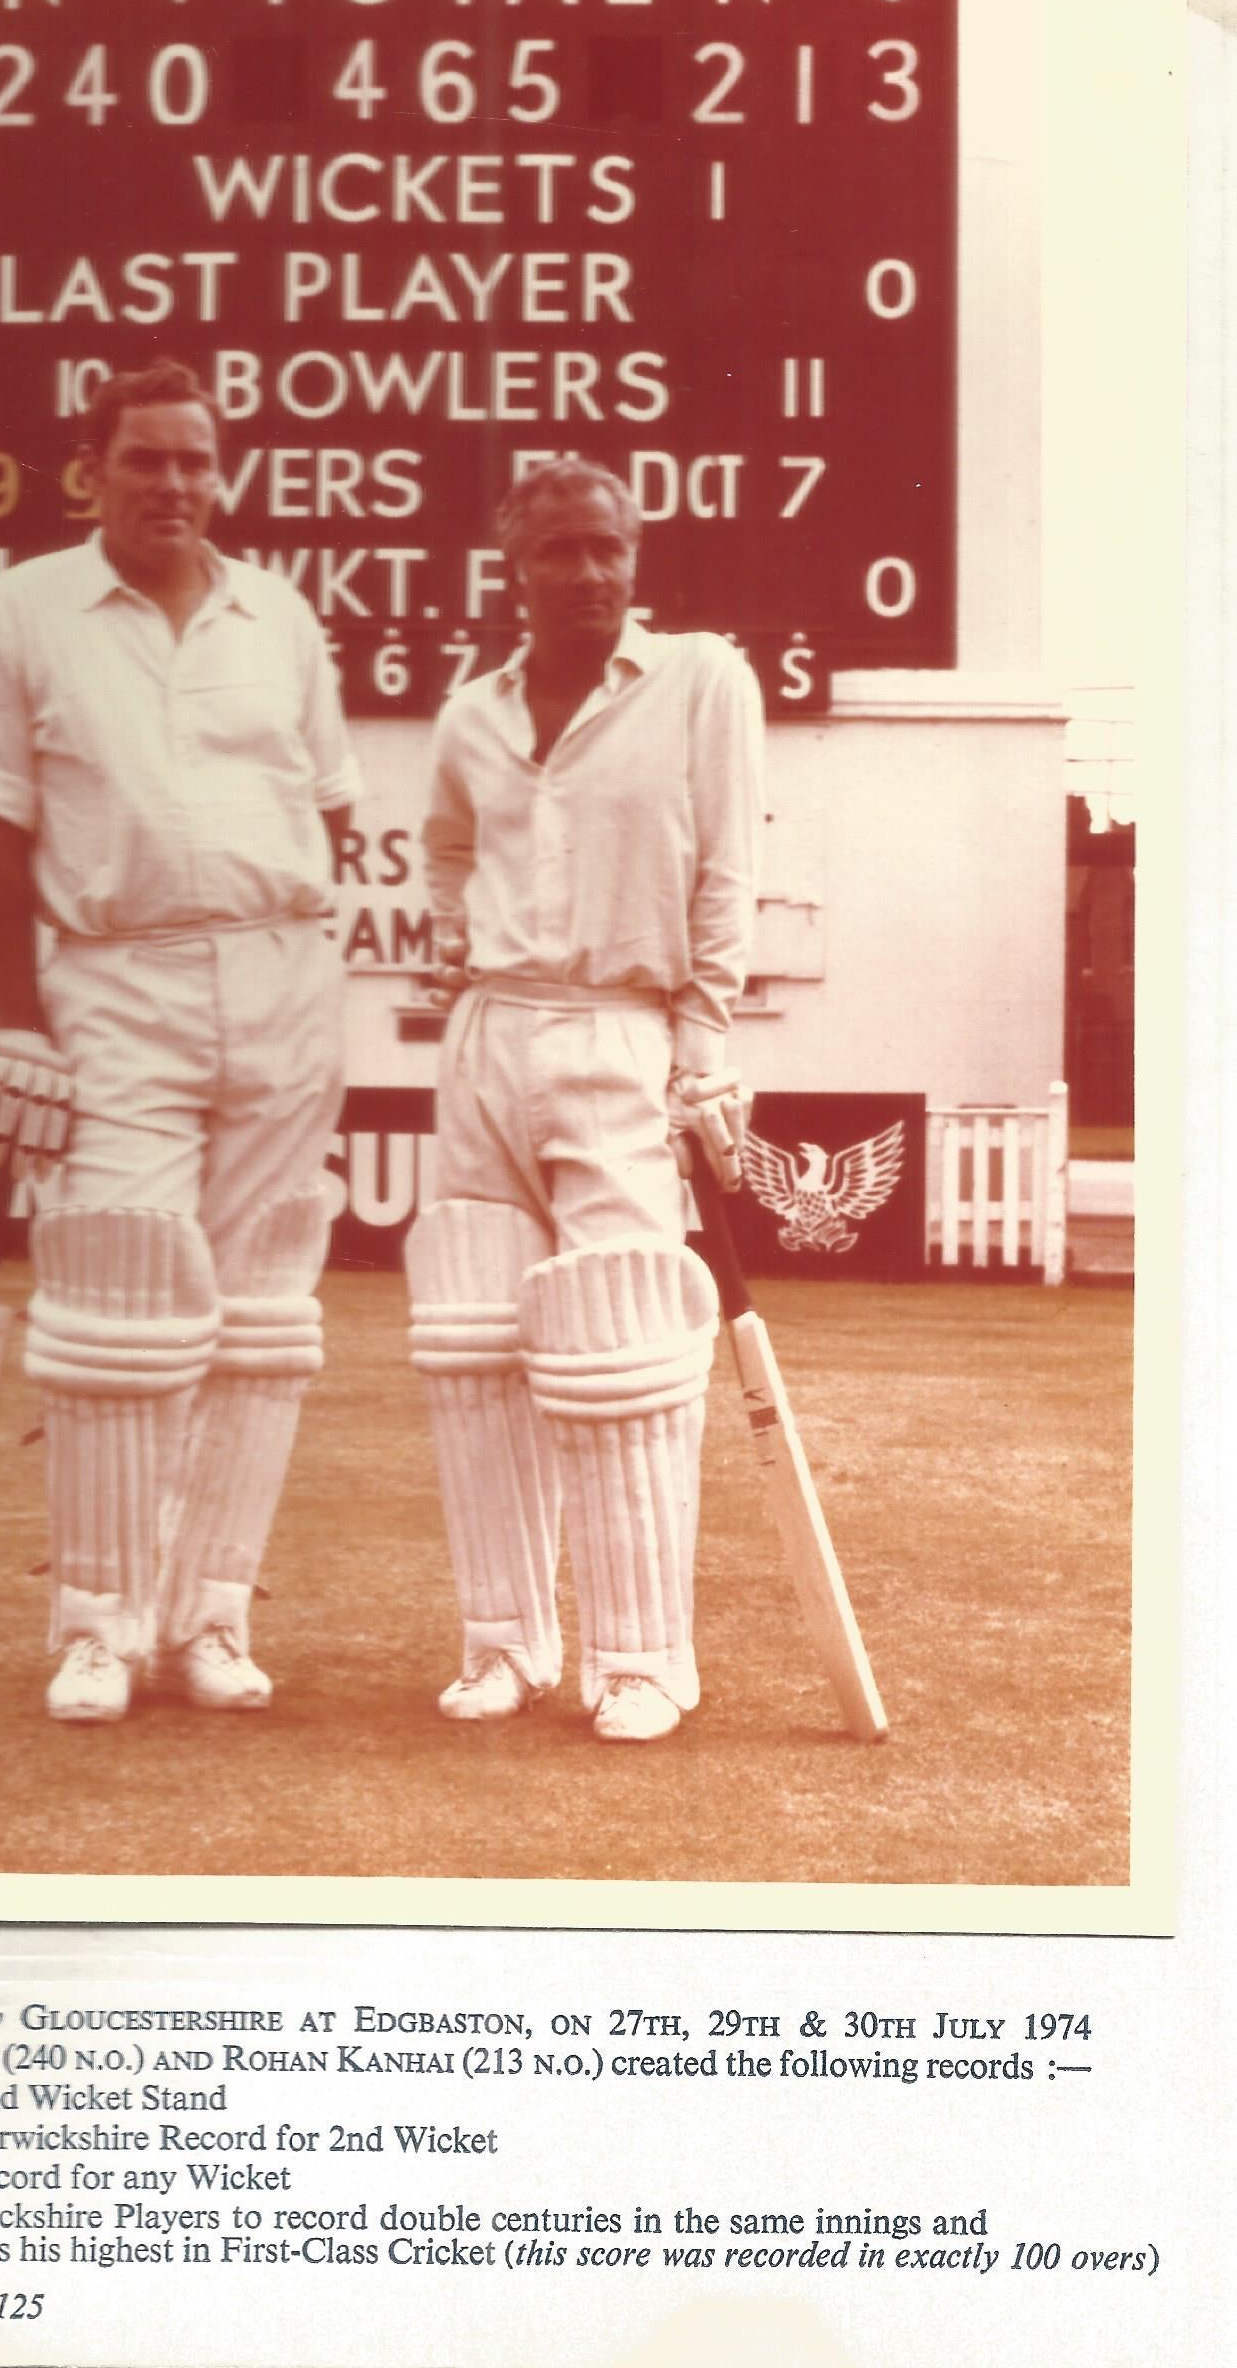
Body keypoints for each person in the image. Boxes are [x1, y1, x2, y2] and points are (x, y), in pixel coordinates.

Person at [0, 361, 358, 1724]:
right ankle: (96, 1628)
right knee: (117, 1294)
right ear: (93, 470)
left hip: (283, 984)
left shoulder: (279, 618)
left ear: (218, 471)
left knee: (255, 1321)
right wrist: (17, 1027)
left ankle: (211, 1621)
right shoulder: (20, 615)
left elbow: (331, 814)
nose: (172, 483)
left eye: (195, 460)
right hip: (113, 988)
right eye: (145, 461)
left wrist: (313, 974)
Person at [410, 455, 761, 1743]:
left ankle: (642, 1658)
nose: (587, 573)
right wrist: (456, 941)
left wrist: (702, 1036)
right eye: (559, 551)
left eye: (607, 547)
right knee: (476, 1343)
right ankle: (506, 1644)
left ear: (635, 553)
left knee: (622, 1340)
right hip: (489, 1031)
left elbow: (728, 862)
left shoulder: (702, 681)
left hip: (621, 1030)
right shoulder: (471, 717)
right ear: (515, 563)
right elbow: (448, 850)